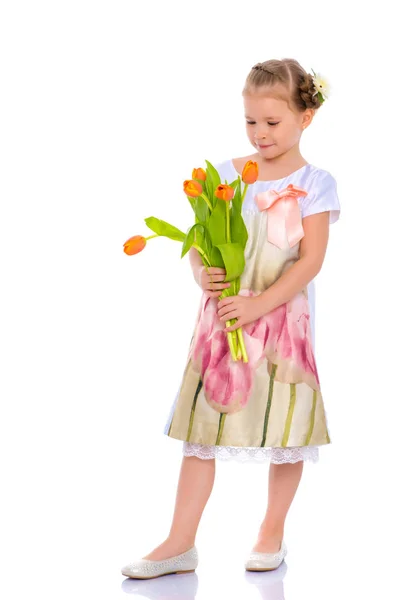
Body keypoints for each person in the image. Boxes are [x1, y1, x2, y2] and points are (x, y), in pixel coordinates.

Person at [121, 58, 341, 579]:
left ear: (305, 117)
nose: (260, 134)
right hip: (223, 321)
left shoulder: (316, 181)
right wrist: (202, 274)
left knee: (286, 427)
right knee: (203, 425)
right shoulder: (224, 175)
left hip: (281, 323)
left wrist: (261, 305)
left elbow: (310, 260)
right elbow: (202, 242)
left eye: (272, 122)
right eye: (250, 121)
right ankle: (180, 540)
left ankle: (272, 531)